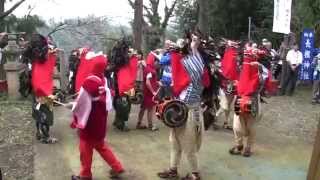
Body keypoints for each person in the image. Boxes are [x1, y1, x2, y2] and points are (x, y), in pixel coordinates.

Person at [158, 31, 210, 180]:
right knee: (174, 142)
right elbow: (181, 62)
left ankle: (195, 174)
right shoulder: (190, 69)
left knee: (189, 147)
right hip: (180, 111)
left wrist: (194, 46)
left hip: (190, 113)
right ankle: (173, 169)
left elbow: (196, 66)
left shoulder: (198, 72)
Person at [67, 56, 125, 180]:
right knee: (101, 146)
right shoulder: (102, 79)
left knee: (85, 149)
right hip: (100, 121)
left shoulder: (90, 81)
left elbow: (82, 102)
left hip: (89, 123)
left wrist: (72, 106)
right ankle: (117, 167)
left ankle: (85, 175)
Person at [23, 34, 58, 144]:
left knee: (38, 112)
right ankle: (45, 137)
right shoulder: (44, 60)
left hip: (37, 89)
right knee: (45, 114)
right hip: (43, 91)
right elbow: (41, 78)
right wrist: (47, 94)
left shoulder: (37, 58)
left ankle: (39, 133)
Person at [136, 52, 160, 131]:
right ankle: (151, 125)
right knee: (150, 109)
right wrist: (153, 91)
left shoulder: (148, 68)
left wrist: (157, 83)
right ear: (154, 61)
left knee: (143, 108)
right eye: (157, 62)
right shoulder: (150, 69)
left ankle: (139, 123)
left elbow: (151, 80)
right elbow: (147, 82)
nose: (158, 64)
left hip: (146, 92)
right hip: (149, 93)